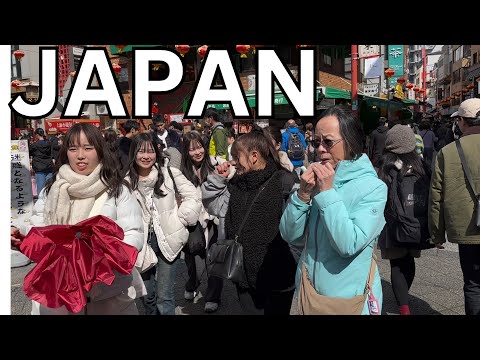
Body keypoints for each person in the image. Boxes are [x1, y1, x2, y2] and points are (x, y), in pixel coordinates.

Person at [12, 123, 145, 315]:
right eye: (73, 149)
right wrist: (20, 236)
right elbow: (39, 231)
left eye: (88, 148)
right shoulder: (51, 190)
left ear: (100, 151)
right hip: (60, 293)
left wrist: (106, 256)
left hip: (108, 293)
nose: (80, 155)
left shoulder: (116, 189)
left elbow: (133, 233)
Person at [279, 106, 387, 315]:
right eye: (316, 142)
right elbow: (289, 234)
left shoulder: (373, 187)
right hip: (309, 293)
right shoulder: (314, 179)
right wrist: (302, 195)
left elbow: (349, 244)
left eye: (328, 142)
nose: (320, 149)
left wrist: (327, 193)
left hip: (348, 301)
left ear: (351, 141)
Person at [202, 125, 298, 315]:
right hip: (243, 274)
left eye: (237, 157)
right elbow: (213, 206)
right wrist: (218, 179)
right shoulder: (235, 184)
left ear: (254, 156)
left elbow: (297, 229)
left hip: (279, 276)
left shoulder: (283, 182)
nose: (233, 162)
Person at [125, 132, 201, 315]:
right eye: (141, 151)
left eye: (150, 151)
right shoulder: (125, 181)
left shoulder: (169, 172)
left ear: (157, 152)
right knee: (147, 296)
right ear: (133, 153)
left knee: (165, 297)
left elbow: (193, 195)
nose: (146, 156)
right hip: (141, 245)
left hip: (169, 237)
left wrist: (182, 218)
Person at [429, 98, 480, 315]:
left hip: (466, 228)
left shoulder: (448, 152)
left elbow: (436, 197)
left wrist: (437, 234)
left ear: (462, 121)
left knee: (473, 284)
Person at [377, 125, 432, 315]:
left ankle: (404, 305)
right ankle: (404, 296)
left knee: (397, 264)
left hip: (393, 224)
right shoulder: (421, 166)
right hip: (416, 223)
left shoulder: (384, 166)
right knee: (409, 261)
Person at [180, 131, 234, 313]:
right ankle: (192, 283)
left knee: (214, 260)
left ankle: (212, 296)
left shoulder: (215, 163)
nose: (197, 152)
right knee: (192, 257)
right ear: (185, 152)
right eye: (191, 149)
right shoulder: (180, 171)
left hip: (213, 219)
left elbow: (230, 175)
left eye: (199, 147)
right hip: (192, 220)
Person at [29, 128, 54, 195]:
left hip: (39, 168)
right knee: (50, 188)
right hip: (49, 167)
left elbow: (29, 153)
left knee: (40, 189)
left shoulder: (34, 145)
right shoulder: (49, 144)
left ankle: (41, 204)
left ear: (37, 135)